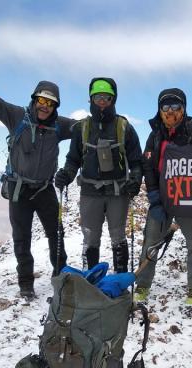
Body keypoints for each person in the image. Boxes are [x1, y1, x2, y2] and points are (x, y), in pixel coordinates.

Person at [0, 49, 74, 300]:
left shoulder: (60, 126)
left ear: (55, 106)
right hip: (18, 188)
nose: (45, 106)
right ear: (34, 99)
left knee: (56, 234)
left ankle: (60, 278)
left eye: (50, 103)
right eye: (41, 100)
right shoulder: (16, 116)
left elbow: (87, 128)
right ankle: (26, 284)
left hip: (45, 189)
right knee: (21, 239)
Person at [55, 78, 143, 273]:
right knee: (90, 238)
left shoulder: (124, 127)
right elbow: (73, 160)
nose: (102, 101)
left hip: (118, 191)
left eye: (106, 97)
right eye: (97, 97)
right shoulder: (82, 128)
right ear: (91, 99)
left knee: (118, 237)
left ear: (113, 99)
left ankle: (119, 280)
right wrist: (66, 175)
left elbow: (136, 161)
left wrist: (136, 180)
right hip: (89, 191)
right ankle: (91, 281)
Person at [134, 88, 192, 307]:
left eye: (176, 106)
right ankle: (142, 284)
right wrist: (154, 193)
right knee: (150, 240)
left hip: (188, 198)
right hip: (161, 198)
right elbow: (147, 165)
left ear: (183, 108)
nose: (170, 111)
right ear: (159, 109)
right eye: (165, 107)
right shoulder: (155, 134)